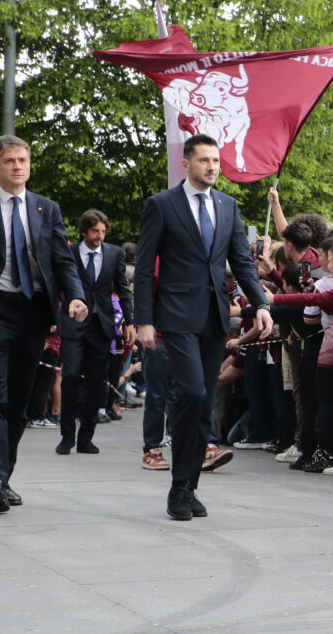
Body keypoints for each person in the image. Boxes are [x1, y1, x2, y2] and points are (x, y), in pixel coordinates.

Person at [0, 135, 87, 512]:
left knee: (19, 401)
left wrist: (75, 296)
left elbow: (63, 261)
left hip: (34, 311)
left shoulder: (47, 209)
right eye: (9, 161)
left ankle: (2, 479)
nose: (17, 167)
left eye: (23, 160)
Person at [135, 134, 272, 521]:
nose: (212, 167)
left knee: (202, 398)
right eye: (204, 160)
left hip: (215, 317)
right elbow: (144, 267)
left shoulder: (228, 206)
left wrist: (260, 304)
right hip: (175, 317)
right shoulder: (162, 205)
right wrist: (142, 319)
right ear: (187, 164)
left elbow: (242, 262)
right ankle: (179, 486)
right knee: (192, 392)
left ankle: (189, 485)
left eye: (216, 161)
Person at [56, 210, 134, 456]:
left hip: (101, 325)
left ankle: (86, 437)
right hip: (74, 322)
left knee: (95, 382)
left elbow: (122, 288)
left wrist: (130, 321)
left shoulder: (113, 254)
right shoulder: (69, 253)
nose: (99, 236)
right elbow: (58, 286)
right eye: (94, 231)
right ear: (83, 232)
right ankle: (66, 435)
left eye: (102, 231)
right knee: (69, 376)